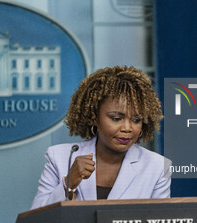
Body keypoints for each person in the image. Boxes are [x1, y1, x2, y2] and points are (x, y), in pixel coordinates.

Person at [31, 66, 171, 209]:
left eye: (136, 120)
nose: (128, 128)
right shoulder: (60, 158)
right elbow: (36, 220)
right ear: (94, 117)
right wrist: (69, 184)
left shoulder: (157, 166)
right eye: (116, 118)